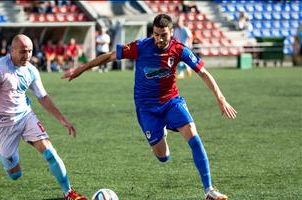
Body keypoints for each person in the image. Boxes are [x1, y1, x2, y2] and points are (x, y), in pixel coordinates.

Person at [62, 14, 237, 200]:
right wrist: (80, 69)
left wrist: (221, 98)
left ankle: (208, 190)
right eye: (156, 34)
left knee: (193, 135)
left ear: (172, 32)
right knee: (163, 157)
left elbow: (203, 72)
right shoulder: (141, 46)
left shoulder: (179, 49)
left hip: (171, 102)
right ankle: (163, 130)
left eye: (164, 35)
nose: (159, 39)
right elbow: (110, 56)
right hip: (146, 109)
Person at [0, 34, 87, 200]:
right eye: (23, 51)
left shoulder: (31, 70)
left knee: (50, 152)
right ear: (12, 50)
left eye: (30, 51)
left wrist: (63, 120)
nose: (27, 55)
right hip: (4, 124)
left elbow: (43, 97)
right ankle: (9, 159)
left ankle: (69, 193)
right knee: (15, 175)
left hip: (25, 116)